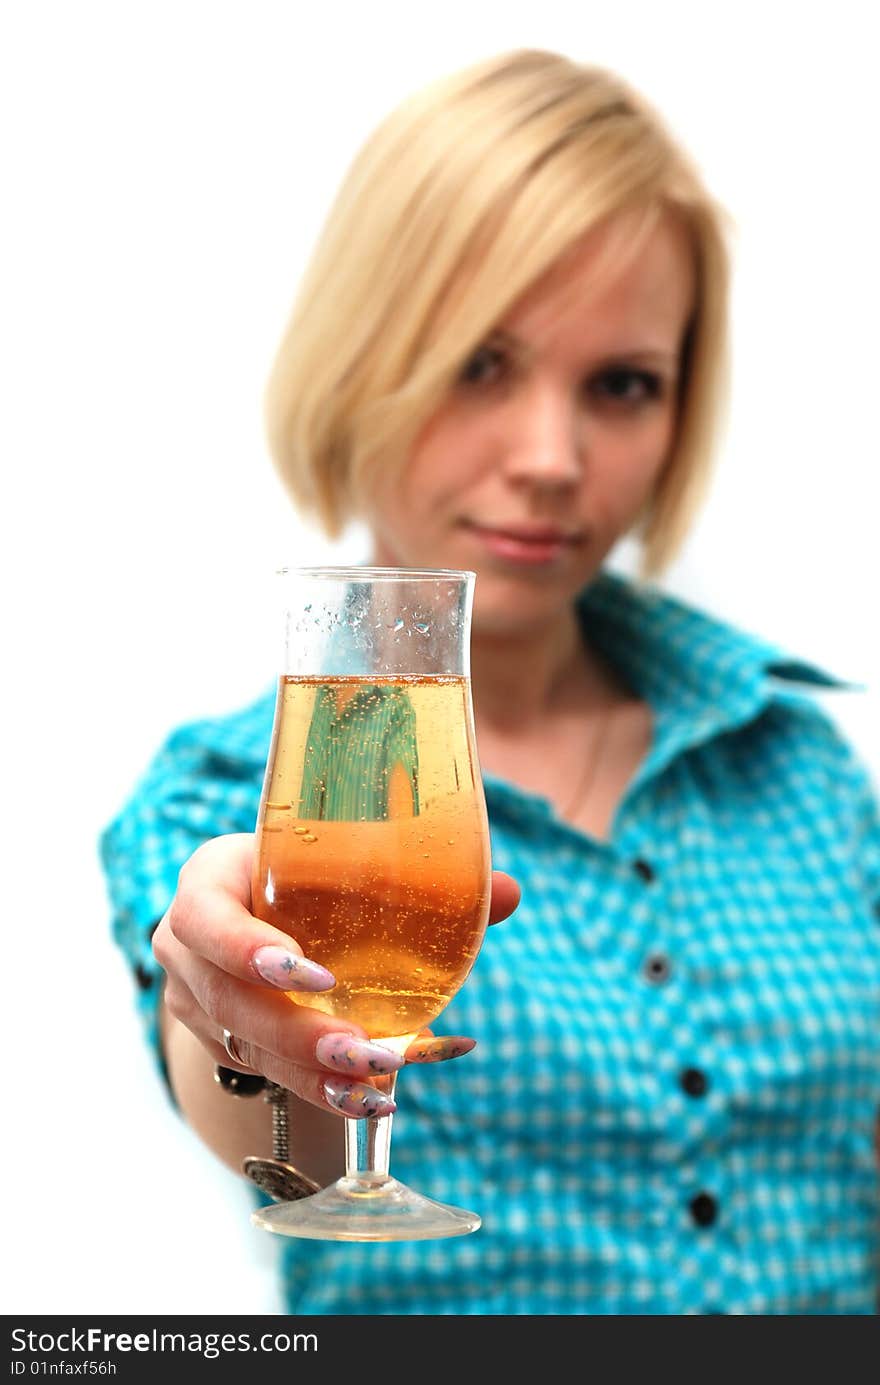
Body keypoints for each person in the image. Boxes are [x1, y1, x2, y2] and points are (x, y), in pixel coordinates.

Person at [100, 48, 880, 1315]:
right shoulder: (230, 791)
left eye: (621, 384)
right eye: (479, 361)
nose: (551, 457)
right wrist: (236, 1019)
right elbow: (266, 1137)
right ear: (360, 362)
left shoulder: (795, 764)